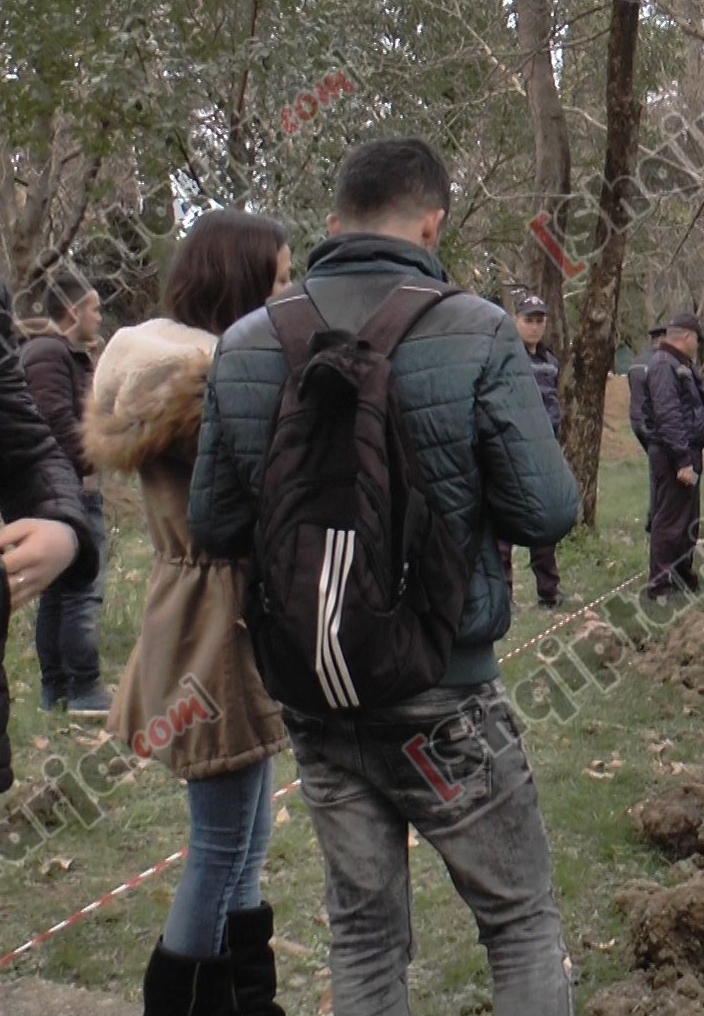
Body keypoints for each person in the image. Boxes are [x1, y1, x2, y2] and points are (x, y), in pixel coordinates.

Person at [189, 137, 581, 1016]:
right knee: (518, 924)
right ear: (433, 222)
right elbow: (548, 512)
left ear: (332, 224)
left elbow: (214, 522)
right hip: (446, 695)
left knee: (362, 939)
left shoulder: (250, 343)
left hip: (319, 699)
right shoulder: (477, 328)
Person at [84, 210, 295, 1016]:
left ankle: (241, 999)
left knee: (245, 837)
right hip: (215, 619)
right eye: (277, 279)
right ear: (239, 283)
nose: (288, 292)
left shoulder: (181, 373)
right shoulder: (204, 386)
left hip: (211, 610)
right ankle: (185, 1004)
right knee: (219, 842)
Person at [1, 348, 98, 796]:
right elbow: (60, 420)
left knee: (68, 599)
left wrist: (61, 520)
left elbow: (29, 445)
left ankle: (68, 684)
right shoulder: (47, 355)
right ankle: (66, 685)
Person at [18, 272, 110, 716]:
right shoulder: (48, 354)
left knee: (58, 594)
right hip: (67, 492)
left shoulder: (65, 356)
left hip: (60, 491)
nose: (99, 315)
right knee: (82, 590)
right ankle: (84, 690)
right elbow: (53, 419)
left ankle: (55, 692)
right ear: (73, 312)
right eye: (93, 307)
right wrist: (95, 459)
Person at [497, 294, 564, 608]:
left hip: (544, 452)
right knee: (503, 526)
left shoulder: (550, 361)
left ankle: (548, 590)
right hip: (511, 451)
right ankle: (503, 595)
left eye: (539, 320)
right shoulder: (505, 357)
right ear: (515, 321)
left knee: (543, 523)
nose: (535, 327)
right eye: (528, 320)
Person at [642, 312, 704, 603]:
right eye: (697, 339)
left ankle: (684, 576)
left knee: (688, 519)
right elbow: (668, 415)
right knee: (670, 521)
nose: (698, 344)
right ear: (686, 337)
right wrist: (682, 460)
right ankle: (659, 588)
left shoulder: (680, 364)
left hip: (688, 452)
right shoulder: (663, 366)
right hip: (674, 456)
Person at [628, 324, 666, 531]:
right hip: (654, 424)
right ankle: (655, 518)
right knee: (659, 472)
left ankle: (656, 516)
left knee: (656, 469)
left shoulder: (635, 364)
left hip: (636, 421)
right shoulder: (661, 363)